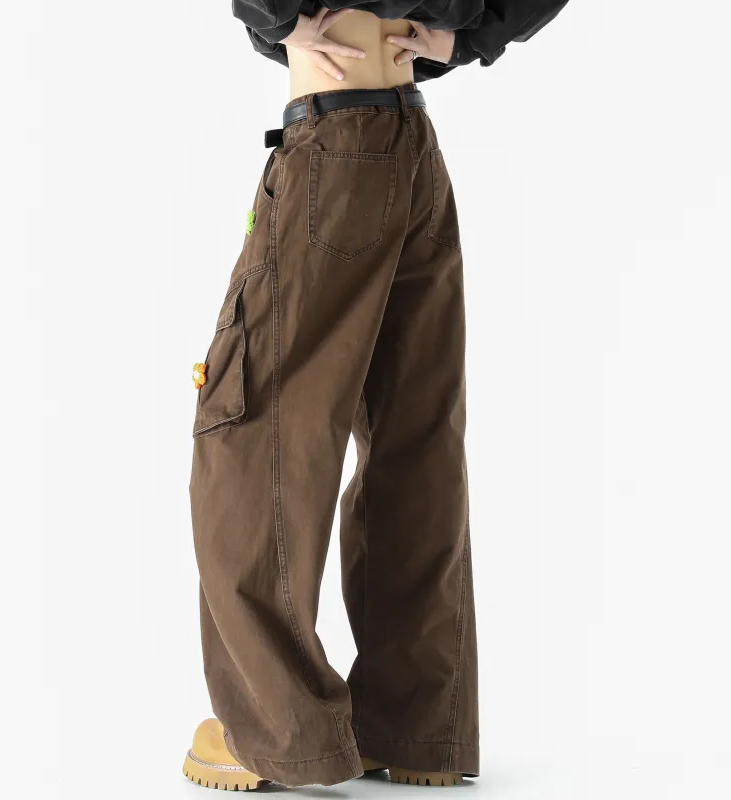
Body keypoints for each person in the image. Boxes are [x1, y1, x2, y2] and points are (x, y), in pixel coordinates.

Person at [183, 1, 569, 791]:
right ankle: (415, 725)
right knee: (413, 438)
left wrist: (278, 18)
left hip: (334, 146)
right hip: (412, 146)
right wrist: (471, 34)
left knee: (251, 433)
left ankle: (273, 732)